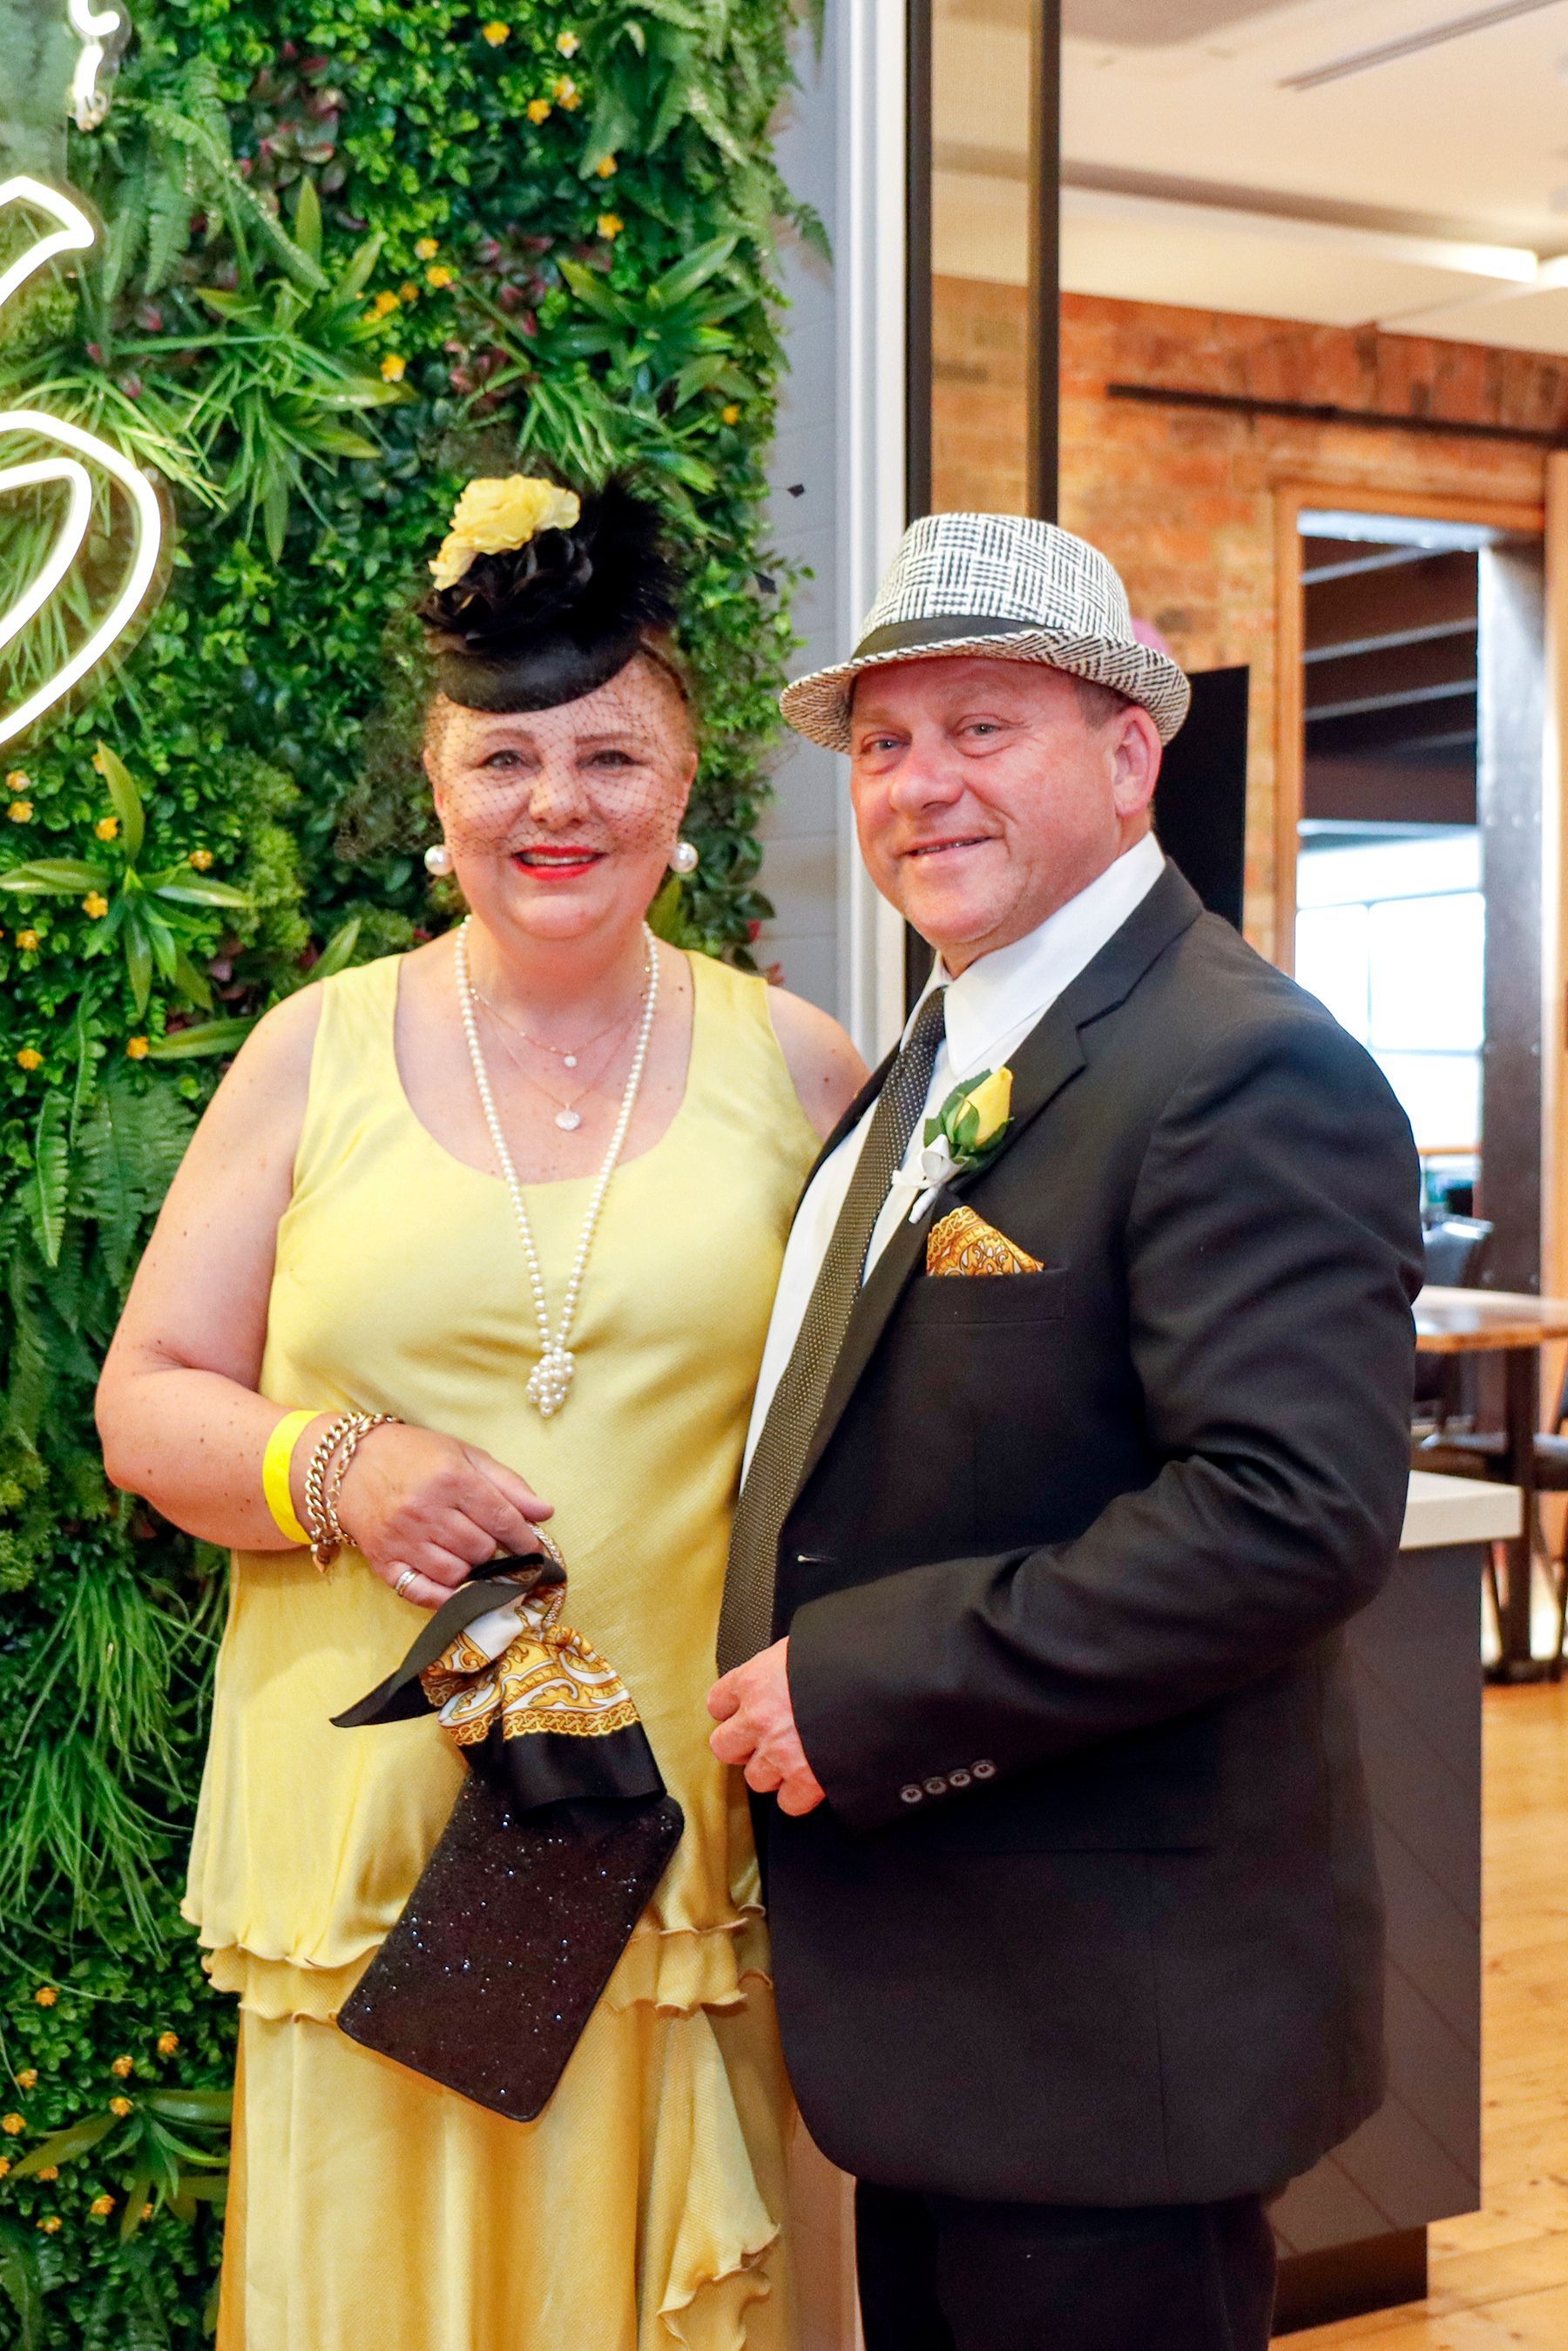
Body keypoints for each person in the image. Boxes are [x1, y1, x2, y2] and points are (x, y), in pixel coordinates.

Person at [96, 474, 866, 2351]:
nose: (557, 804)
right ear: (436, 791)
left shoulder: (800, 1064)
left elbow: (901, 1452)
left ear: (687, 788)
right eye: (504, 757)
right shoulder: (315, 1051)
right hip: (374, 1847)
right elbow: (145, 1400)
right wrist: (335, 1465)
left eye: (611, 754)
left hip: (672, 1837)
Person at [706, 510, 1424, 2351]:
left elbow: (1285, 1518)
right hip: (951, 2005)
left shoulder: (1241, 1061)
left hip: (1114, 2033)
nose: (919, 784)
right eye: (883, 742)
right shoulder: (933, 1053)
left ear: (1129, 753)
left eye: (980, 726)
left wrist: (858, 1683)